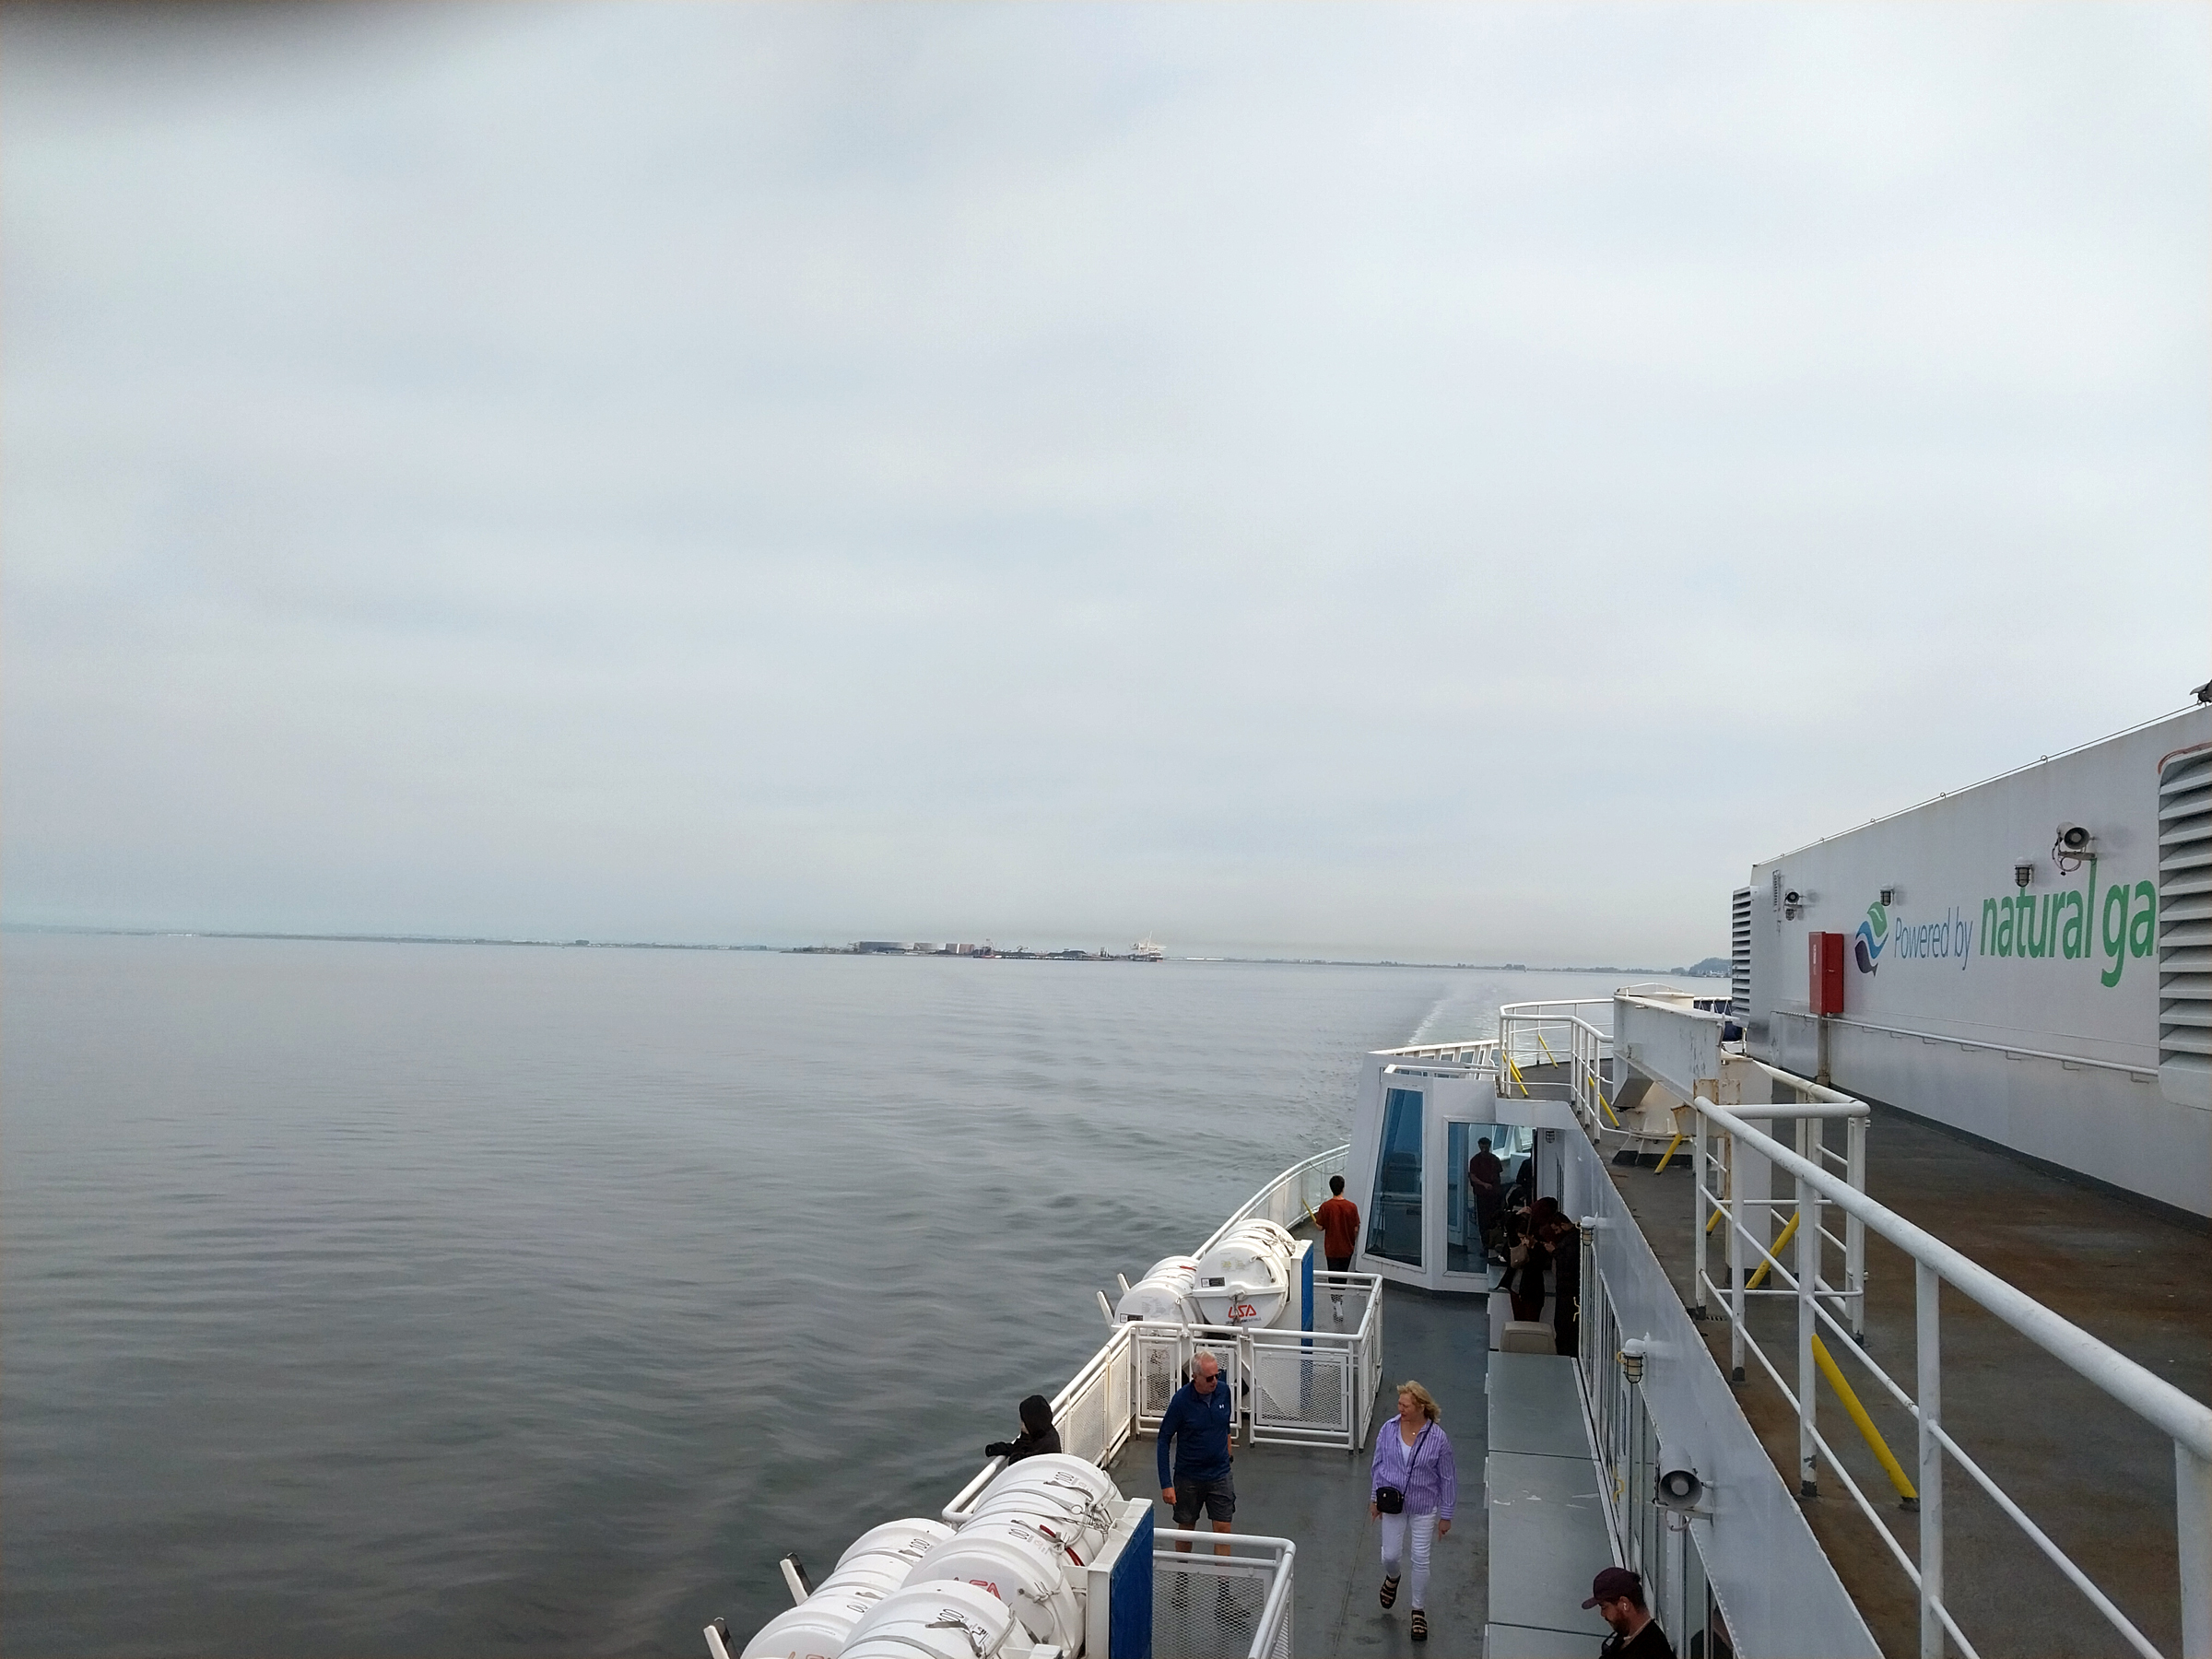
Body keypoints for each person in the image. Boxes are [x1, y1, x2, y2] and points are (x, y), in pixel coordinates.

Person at [1369, 1380, 1455, 1643]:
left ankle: (1418, 1610)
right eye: (1400, 1404)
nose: (1400, 1409)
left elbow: (1447, 1477)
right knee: (1390, 1555)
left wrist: (1446, 1515)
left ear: (1421, 1407)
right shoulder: (1388, 1429)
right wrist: (1374, 1499)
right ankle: (1393, 1577)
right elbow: (1378, 1465)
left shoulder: (1438, 1439)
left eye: (1405, 1405)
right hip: (1392, 1504)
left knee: (1420, 1558)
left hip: (1423, 1506)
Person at [1158, 1351, 1235, 1555]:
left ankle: (1223, 1577)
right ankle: (1183, 1571)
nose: (1215, 1381)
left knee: (1223, 1531)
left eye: (1217, 1375)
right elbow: (1164, 1438)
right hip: (1189, 1477)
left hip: (1220, 1474)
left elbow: (1224, 1422)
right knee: (1187, 1529)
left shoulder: (1223, 1392)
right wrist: (1166, 1484)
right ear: (1195, 1377)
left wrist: (1228, 1451)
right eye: (1209, 1378)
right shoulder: (1181, 1401)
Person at [1583, 1566, 1676, 1657]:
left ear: (1625, 1604)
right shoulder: (1626, 1638)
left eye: (1604, 1607)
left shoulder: (1653, 1650)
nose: (1602, 1614)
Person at [1314, 1175, 1360, 1318]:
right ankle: (1339, 1301)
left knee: (1333, 1277)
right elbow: (1356, 1228)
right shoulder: (1352, 1207)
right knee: (1343, 1276)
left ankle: (1336, 1302)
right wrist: (1352, 1240)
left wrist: (1316, 1222)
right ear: (1343, 1188)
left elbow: (1320, 1227)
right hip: (1347, 1248)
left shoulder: (1326, 1207)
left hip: (1332, 1249)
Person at [983, 1394, 1061, 1465]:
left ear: (1033, 1422)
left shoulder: (1046, 1447)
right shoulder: (1044, 1432)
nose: (1021, 1425)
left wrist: (1024, 1437)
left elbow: (1015, 1462)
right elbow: (1021, 1448)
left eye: (1024, 1421)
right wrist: (1001, 1448)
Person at [1467, 1137, 1504, 1259]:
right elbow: (1473, 1177)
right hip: (1482, 1195)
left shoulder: (1494, 1159)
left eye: (1486, 1146)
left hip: (1494, 1195)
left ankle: (1494, 1243)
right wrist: (1484, 1184)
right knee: (1483, 1221)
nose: (1484, 1149)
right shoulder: (1475, 1160)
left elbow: (1498, 1176)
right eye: (1482, 1146)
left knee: (1494, 1220)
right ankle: (1485, 1245)